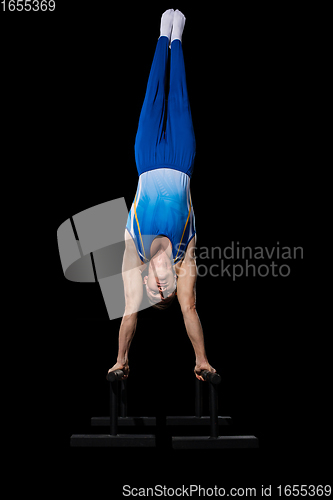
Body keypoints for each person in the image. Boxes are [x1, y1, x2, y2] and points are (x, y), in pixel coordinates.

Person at [108, 9, 215, 381]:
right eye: (169, 289)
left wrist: (121, 358)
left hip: (147, 158)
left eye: (159, 290)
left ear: (150, 282)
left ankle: (161, 38)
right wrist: (201, 358)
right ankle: (178, 39)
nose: (163, 284)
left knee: (154, 96)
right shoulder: (186, 254)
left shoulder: (133, 249)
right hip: (182, 160)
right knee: (179, 96)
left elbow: (128, 310)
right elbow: (189, 309)